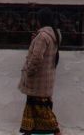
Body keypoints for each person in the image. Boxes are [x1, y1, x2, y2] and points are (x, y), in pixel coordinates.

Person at [18, 7, 62, 135]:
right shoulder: (55, 34)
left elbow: (37, 57)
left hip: (38, 80)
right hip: (47, 78)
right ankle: (28, 132)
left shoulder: (42, 36)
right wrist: (35, 40)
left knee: (42, 109)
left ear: (40, 20)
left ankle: (57, 132)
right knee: (34, 106)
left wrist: (29, 71)